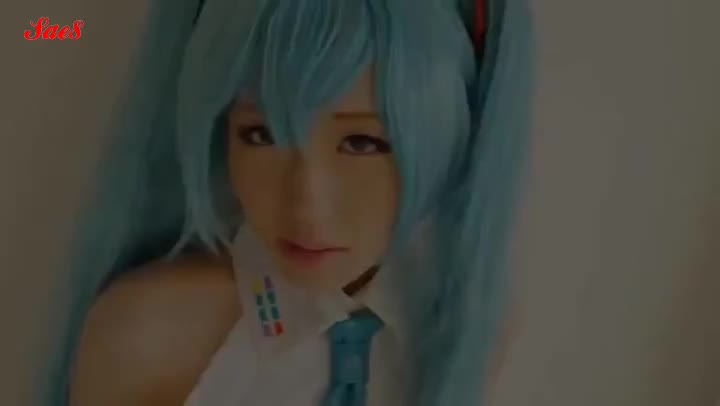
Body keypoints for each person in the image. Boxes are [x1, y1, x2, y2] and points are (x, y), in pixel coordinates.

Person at [42, 0, 535, 404]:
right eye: (262, 135)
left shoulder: (461, 332)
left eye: (362, 143)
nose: (307, 205)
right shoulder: (151, 334)